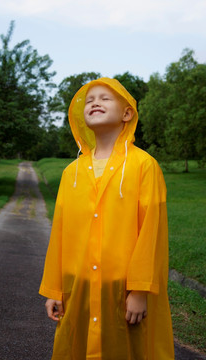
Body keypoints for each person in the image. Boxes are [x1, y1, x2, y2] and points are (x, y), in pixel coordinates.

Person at [39, 77, 175, 359]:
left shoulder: (143, 166)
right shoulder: (71, 173)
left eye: (104, 98)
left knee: (128, 349)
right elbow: (60, 235)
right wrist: (54, 289)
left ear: (127, 113)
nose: (95, 103)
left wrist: (138, 291)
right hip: (80, 289)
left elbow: (152, 231)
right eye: (89, 100)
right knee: (77, 346)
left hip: (123, 292)